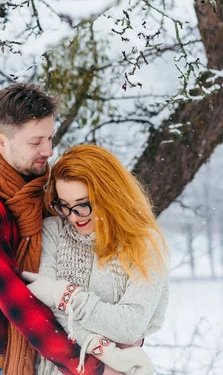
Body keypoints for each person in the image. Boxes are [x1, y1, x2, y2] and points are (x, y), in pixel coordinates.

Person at [0, 83, 111, 375]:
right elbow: (14, 295)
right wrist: (85, 367)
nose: (48, 150)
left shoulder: (44, 196)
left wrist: (122, 329)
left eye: (50, 137)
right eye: (36, 142)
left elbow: (85, 261)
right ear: (0, 141)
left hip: (43, 363)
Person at [23, 144, 170, 375]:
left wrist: (67, 296)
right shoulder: (54, 231)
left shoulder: (145, 244)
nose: (73, 217)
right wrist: (104, 351)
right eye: (64, 205)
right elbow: (46, 316)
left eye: (83, 204)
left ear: (108, 194)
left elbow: (130, 326)